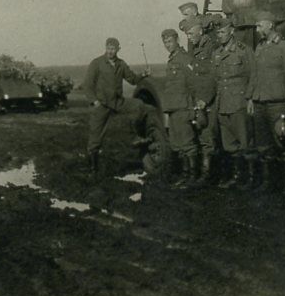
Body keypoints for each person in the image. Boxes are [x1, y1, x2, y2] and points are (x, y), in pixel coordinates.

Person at [249, 11, 285, 194]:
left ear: (270, 25)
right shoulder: (260, 48)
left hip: (277, 103)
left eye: (259, 26)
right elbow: (254, 76)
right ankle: (268, 182)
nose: (257, 30)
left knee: (282, 141)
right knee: (263, 144)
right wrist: (250, 98)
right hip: (260, 102)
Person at [82, 37, 152, 176]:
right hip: (102, 104)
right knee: (95, 137)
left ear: (118, 49)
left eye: (113, 49)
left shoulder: (121, 64)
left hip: (118, 102)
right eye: (108, 48)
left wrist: (144, 74)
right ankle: (93, 170)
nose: (110, 51)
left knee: (138, 105)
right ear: (105, 48)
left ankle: (136, 136)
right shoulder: (97, 63)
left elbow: (132, 79)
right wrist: (94, 101)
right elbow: (88, 85)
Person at [211, 19, 257, 188]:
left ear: (231, 31)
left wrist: (250, 97)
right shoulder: (216, 53)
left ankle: (251, 178)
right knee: (229, 145)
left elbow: (253, 75)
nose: (219, 36)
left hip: (239, 102)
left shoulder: (243, 51)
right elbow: (215, 79)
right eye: (217, 33)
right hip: (223, 103)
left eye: (222, 32)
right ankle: (238, 177)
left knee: (246, 142)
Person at [160, 28, 202, 188]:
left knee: (188, 144)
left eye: (170, 41)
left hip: (184, 106)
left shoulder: (184, 58)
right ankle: (185, 176)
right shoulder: (172, 60)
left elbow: (193, 83)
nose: (167, 45)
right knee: (178, 144)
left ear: (177, 40)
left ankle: (192, 177)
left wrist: (194, 106)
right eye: (165, 42)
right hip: (173, 107)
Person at [185, 18, 219, 184]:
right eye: (187, 34)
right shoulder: (195, 48)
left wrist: (204, 100)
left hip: (207, 100)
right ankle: (199, 174)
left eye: (191, 33)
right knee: (199, 135)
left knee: (207, 138)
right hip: (197, 98)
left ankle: (207, 176)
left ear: (200, 31)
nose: (189, 37)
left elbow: (213, 77)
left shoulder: (210, 48)